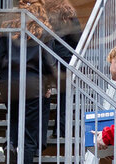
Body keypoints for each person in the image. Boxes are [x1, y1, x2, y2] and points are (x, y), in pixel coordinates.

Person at [0, 0, 55, 164]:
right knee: (29, 133)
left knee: (14, 120)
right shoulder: (44, 31)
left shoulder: (8, 28)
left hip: (9, 83)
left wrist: (4, 77)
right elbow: (49, 63)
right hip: (32, 84)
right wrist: (48, 85)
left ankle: (11, 145)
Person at [46, 0, 82, 139]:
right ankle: (59, 130)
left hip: (46, 59)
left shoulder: (45, 15)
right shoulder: (70, 16)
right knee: (64, 96)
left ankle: (40, 132)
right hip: (65, 60)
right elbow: (77, 40)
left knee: (43, 93)